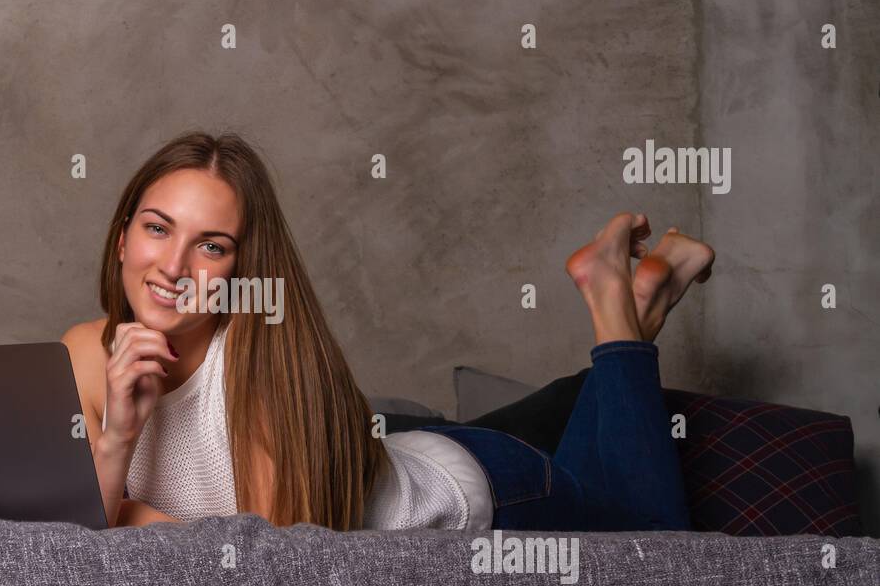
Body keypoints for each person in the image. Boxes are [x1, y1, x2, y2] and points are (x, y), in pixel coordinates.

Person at [60, 130, 715, 532]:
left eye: (211, 246)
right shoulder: (85, 353)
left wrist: (124, 515)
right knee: (595, 472)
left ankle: (614, 303)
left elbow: (262, 573)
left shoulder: (257, 378)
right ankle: (643, 299)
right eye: (156, 228)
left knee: (656, 542)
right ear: (122, 239)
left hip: (478, 490)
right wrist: (119, 436)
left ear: (243, 269)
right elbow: (57, 534)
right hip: (381, 449)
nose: (172, 266)